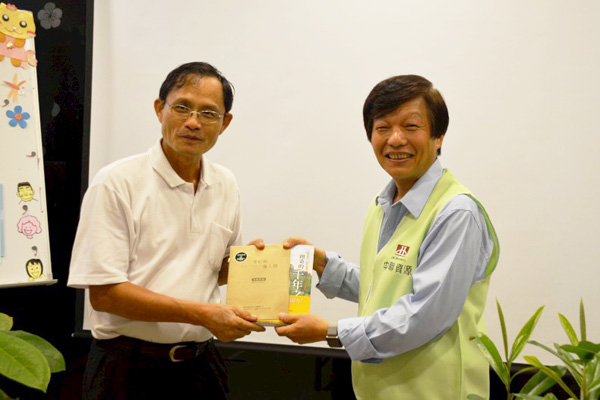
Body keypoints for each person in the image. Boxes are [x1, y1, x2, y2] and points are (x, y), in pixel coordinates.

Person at [276, 75, 499, 400]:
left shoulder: (456, 212)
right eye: (383, 128)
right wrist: (323, 265)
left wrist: (331, 331)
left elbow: (425, 315)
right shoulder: (383, 204)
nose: (395, 139)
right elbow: (385, 287)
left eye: (411, 127)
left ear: (438, 136)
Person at [67, 62, 264, 399]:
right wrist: (203, 314)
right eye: (182, 107)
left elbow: (214, 270)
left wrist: (256, 264)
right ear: (160, 109)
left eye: (208, 113)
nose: (193, 122)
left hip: (202, 369)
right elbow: (105, 293)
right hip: (128, 370)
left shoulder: (225, 183)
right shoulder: (117, 182)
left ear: (225, 123)